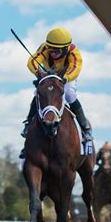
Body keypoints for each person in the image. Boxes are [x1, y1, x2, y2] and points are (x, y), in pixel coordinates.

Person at [19, 27, 92, 158]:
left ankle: (85, 127)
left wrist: (65, 79)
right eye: (50, 49)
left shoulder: (74, 52)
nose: (52, 53)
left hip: (67, 76)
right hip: (48, 74)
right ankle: (29, 122)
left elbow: (75, 68)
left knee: (69, 95)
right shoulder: (45, 48)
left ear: (65, 49)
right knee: (39, 94)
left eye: (56, 51)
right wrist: (39, 74)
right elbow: (31, 62)